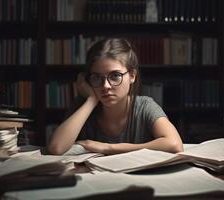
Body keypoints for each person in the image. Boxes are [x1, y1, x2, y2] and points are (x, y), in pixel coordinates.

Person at [48, 38, 183, 155]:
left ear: (132, 76)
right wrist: (91, 100)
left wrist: (109, 148)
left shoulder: (144, 106)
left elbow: (174, 144)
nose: (105, 86)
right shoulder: (83, 106)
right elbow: (56, 148)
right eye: (96, 77)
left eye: (115, 76)